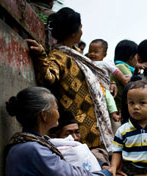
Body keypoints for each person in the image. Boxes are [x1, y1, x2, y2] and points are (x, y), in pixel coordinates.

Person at [26, 7, 113, 151]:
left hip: (90, 128)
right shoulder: (59, 56)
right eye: (80, 27)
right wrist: (41, 56)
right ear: (74, 32)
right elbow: (48, 77)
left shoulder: (75, 55)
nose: (82, 30)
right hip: (77, 131)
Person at [87, 39, 131, 133]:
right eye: (90, 51)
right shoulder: (86, 63)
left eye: (96, 52)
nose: (92, 54)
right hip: (91, 88)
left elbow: (115, 71)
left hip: (102, 87)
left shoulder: (105, 63)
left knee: (108, 97)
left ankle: (114, 114)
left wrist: (123, 79)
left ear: (104, 54)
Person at [111, 40, 140, 119]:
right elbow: (134, 88)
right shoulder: (121, 66)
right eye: (137, 56)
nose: (138, 60)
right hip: (123, 113)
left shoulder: (117, 66)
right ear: (131, 57)